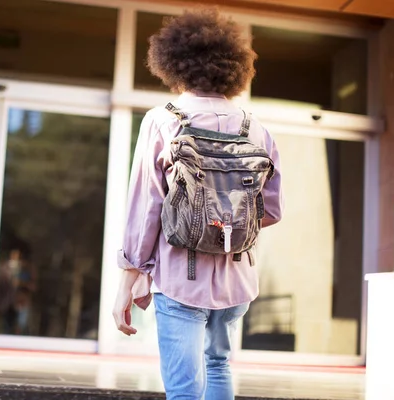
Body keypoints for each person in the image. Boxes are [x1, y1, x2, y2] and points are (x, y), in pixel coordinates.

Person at [112, 9, 283, 400]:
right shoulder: (256, 127)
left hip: (179, 278)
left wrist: (129, 277)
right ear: (233, 67)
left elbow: (145, 208)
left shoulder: (162, 120)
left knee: (184, 390)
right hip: (236, 279)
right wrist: (226, 224)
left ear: (173, 64)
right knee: (218, 365)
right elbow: (273, 208)